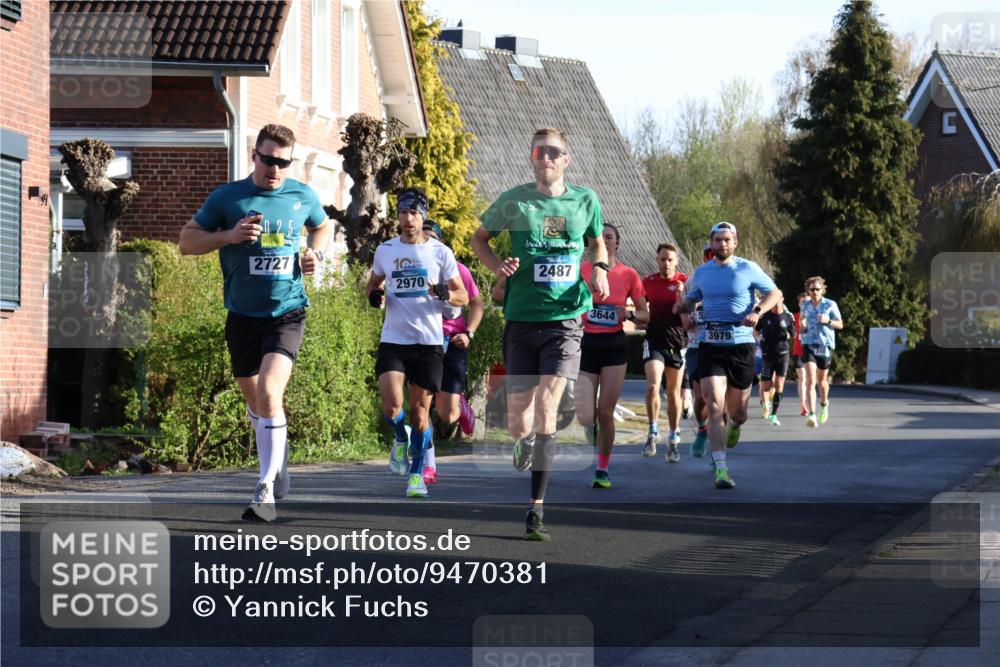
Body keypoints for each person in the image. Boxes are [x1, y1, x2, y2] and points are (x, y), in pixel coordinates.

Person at [179, 124, 332, 522]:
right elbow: (187, 242)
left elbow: (322, 225)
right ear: (254, 155)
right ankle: (276, 460)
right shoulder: (229, 198)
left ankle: (264, 489)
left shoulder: (302, 195)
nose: (275, 169)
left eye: (283, 162)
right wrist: (229, 235)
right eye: (268, 160)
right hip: (243, 315)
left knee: (269, 389)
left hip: (287, 311)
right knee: (257, 400)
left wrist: (315, 253)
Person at [471, 127, 609, 541]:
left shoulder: (585, 200)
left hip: (565, 321)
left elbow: (597, 244)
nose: (546, 158)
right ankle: (525, 440)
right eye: (539, 152)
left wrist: (599, 268)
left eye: (554, 152)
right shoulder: (514, 201)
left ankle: (536, 510)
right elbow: (479, 239)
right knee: (519, 421)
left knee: (549, 407)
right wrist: (498, 267)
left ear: (566, 159)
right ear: (532, 159)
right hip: (521, 317)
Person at [366, 188, 468, 498]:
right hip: (394, 339)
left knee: (420, 415)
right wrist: (375, 296)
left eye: (413, 213)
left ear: (422, 215)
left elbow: (462, 296)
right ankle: (400, 439)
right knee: (391, 404)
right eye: (402, 213)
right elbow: (373, 285)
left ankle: (416, 474)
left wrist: (444, 294)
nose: (408, 219)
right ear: (397, 216)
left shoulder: (440, 253)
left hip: (428, 342)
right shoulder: (386, 250)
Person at [673, 222, 782, 489]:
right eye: (717, 240)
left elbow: (776, 292)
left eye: (726, 240)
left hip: (740, 345)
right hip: (711, 343)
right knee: (713, 404)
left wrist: (757, 311)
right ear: (711, 243)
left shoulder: (748, 268)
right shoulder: (702, 272)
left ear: (735, 242)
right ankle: (721, 468)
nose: (722, 244)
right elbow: (692, 298)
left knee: (738, 413)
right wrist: (682, 306)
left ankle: (735, 426)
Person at [575, 224, 649, 489]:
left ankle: (602, 469)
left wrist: (628, 314)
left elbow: (645, 315)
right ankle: (590, 427)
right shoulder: (581, 270)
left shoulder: (628, 274)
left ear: (617, 243)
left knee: (605, 413)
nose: (604, 241)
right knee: (586, 415)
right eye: (600, 238)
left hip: (614, 346)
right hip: (585, 344)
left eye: (609, 237)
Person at [422, 220, 484, 484]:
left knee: (447, 414)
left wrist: (468, 333)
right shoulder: (411, 270)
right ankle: (428, 465)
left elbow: (477, 305)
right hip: (423, 341)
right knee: (421, 405)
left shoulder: (458, 270)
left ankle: (462, 407)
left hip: (453, 340)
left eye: (431, 239)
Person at [641, 244, 688, 462]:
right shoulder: (648, 282)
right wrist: (638, 318)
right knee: (652, 385)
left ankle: (673, 437)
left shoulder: (685, 282)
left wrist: (682, 297)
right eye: (662, 259)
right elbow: (641, 310)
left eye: (670, 260)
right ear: (657, 259)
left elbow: (693, 312)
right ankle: (652, 432)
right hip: (654, 340)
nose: (666, 263)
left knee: (673, 392)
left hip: (677, 343)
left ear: (676, 261)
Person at [681, 243, 716, 459]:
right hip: (697, 344)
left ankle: (717, 450)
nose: (712, 258)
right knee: (701, 397)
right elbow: (684, 316)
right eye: (708, 254)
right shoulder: (694, 280)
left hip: (723, 344)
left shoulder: (732, 278)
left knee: (718, 398)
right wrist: (690, 317)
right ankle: (703, 429)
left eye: (715, 254)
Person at [799, 276, 843, 427]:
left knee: (821, 381)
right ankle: (811, 414)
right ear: (808, 291)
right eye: (812, 289)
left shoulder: (830, 304)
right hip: (808, 343)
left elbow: (840, 324)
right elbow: (802, 324)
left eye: (818, 289)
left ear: (822, 289)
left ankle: (824, 404)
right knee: (810, 380)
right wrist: (802, 326)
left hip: (825, 345)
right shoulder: (804, 305)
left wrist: (828, 321)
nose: (815, 292)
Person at [755, 297, 795, 426]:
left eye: (778, 299)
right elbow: (755, 331)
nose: (776, 302)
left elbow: (793, 333)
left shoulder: (788, 316)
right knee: (766, 386)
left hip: (782, 354)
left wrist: (787, 335)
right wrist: (761, 340)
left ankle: (774, 414)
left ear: (782, 299)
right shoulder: (765, 316)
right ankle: (765, 400)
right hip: (767, 354)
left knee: (779, 385)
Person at [792, 293, 808, 416]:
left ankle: (810, 402)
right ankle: (803, 405)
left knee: (810, 380)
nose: (804, 304)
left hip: (812, 352)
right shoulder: (794, 317)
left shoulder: (814, 317)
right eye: (802, 302)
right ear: (798, 304)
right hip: (798, 351)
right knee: (802, 378)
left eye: (806, 302)